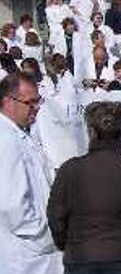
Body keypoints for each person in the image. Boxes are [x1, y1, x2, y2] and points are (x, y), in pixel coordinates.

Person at [47, 101, 121, 274]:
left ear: (91, 132)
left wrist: (67, 243)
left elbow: (56, 215)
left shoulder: (70, 169)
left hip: (81, 254)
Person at [0, 73, 64, 274]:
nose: (37, 107)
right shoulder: (6, 141)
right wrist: (49, 235)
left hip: (36, 254)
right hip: (27, 256)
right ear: (8, 102)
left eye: (38, 101)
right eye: (30, 102)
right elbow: (13, 207)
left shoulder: (20, 134)